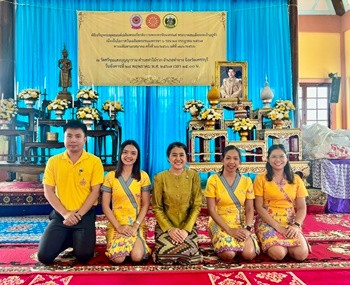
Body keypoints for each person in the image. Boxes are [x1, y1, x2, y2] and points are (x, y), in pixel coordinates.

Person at [38, 120, 104, 264]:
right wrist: (66, 214)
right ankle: (70, 238)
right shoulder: (53, 161)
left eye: (78, 136)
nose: (73, 140)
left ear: (85, 139)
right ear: (64, 138)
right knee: (44, 257)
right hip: (62, 214)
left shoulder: (94, 161)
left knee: (84, 256)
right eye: (69, 136)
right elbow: (48, 191)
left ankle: (77, 239)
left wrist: (78, 215)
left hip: (84, 215)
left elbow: (95, 192)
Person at [254, 144, 310, 261]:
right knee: (278, 254)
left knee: (301, 255)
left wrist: (296, 225)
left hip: (289, 222)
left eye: (281, 156)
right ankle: (270, 242)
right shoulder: (261, 179)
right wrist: (278, 228)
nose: (278, 160)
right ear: (268, 159)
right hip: (268, 221)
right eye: (274, 157)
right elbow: (258, 207)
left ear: (287, 158)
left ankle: (289, 244)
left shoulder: (296, 179)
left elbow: (301, 208)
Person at [205, 145, 259, 262]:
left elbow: (250, 209)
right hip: (220, 222)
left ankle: (240, 243)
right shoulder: (213, 180)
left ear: (240, 161)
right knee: (228, 255)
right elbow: (212, 210)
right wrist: (229, 230)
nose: (231, 162)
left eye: (235, 159)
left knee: (249, 255)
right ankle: (221, 243)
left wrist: (247, 229)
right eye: (228, 158)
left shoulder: (246, 181)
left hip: (240, 222)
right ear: (222, 160)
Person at [152, 142, 203, 265]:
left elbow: (196, 206)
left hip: (187, 225)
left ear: (186, 157)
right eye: (174, 155)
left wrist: (186, 230)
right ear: (168, 158)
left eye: (182, 155)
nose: (178, 159)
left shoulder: (193, 176)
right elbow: (157, 207)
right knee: (165, 257)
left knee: (192, 258)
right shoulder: (160, 178)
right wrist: (170, 229)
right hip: (165, 226)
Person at [101, 140, 151, 264]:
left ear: (137, 156)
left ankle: (135, 245)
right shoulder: (110, 177)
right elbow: (105, 206)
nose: (129, 156)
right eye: (125, 152)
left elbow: (145, 205)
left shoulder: (143, 176)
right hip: (116, 224)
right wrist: (119, 227)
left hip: (136, 225)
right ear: (120, 154)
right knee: (118, 259)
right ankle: (124, 247)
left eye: (133, 153)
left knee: (137, 257)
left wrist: (135, 226)